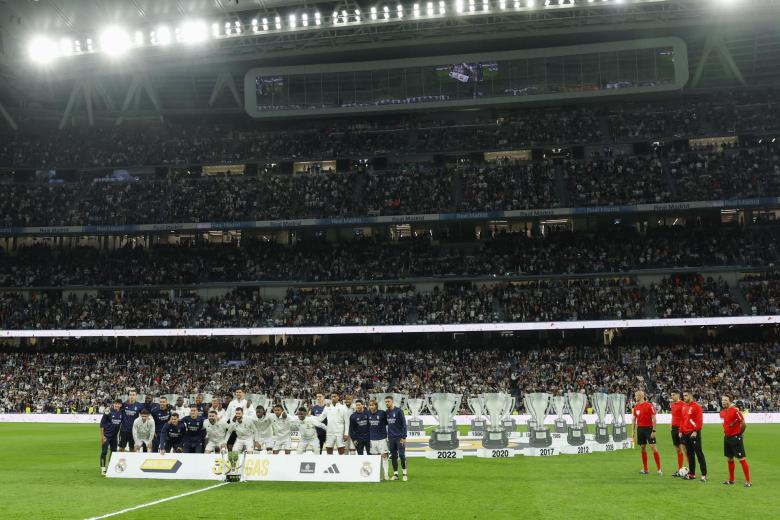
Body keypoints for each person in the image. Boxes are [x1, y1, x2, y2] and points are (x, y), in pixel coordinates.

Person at [720, 394, 751, 487]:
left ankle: (748, 481)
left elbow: (743, 423)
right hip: (727, 437)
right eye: (722, 400)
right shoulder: (722, 412)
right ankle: (731, 480)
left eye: (725, 400)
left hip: (735, 437)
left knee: (741, 459)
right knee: (729, 458)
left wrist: (739, 434)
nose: (723, 402)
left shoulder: (735, 411)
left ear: (730, 401)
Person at [632, 390, 661, 475]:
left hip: (649, 429)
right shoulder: (636, 407)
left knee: (653, 448)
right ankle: (645, 469)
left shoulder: (649, 405)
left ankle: (659, 469)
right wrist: (633, 431)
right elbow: (634, 419)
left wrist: (654, 430)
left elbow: (654, 419)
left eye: (636, 395)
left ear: (641, 396)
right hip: (640, 429)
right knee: (642, 448)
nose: (635, 397)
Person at [680, 390, 707, 482]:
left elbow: (699, 420)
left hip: (694, 433)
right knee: (690, 454)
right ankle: (692, 474)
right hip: (685, 433)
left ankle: (704, 475)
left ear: (691, 396)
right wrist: (681, 431)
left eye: (686, 395)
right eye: (683, 395)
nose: (684, 397)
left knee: (699, 454)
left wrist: (695, 431)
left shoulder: (696, 406)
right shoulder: (683, 406)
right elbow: (682, 420)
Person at [385, 395, 408, 481]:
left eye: (388, 401)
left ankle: (405, 473)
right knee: (393, 456)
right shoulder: (386, 412)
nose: (387, 403)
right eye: (386, 402)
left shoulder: (399, 411)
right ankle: (395, 474)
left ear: (392, 401)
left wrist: (404, 437)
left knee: (402, 455)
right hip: (391, 438)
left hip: (399, 437)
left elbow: (404, 424)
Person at [368, 400, 390, 481]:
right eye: (370, 405)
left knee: (384, 456)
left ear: (376, 406)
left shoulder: (382, 413)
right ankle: (377, 474)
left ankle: (386, 474)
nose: (371, 407)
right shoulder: (368, 413)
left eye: (373, 405)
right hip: (372, 439)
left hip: (382, 438)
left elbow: (387, 423)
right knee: (375, 457)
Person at [99, 399, 122, 475]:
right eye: (115, 403)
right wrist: (102, 436)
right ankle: (102, 468)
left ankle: (110, 467)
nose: (117, 405)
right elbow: (102, 424)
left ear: (120, 405)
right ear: (113, 404)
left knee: (113, 452)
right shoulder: (108, 411)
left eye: (118, 404)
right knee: (104, 452)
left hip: (114, 437)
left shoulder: (121, 413)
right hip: (106, 436)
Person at [669, 391, 685, 477]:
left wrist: (681, 429)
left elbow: (684, 417)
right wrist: (671, 424)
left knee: (685, 450)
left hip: (681, 429)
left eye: (673, 395)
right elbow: (673, 415)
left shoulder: (683, 404)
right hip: (674, 429)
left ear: (678, 395)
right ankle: (680, 470)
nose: (672, 396)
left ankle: (691, 470)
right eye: (671, 395)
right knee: (678, 449)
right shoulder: (672, 405)